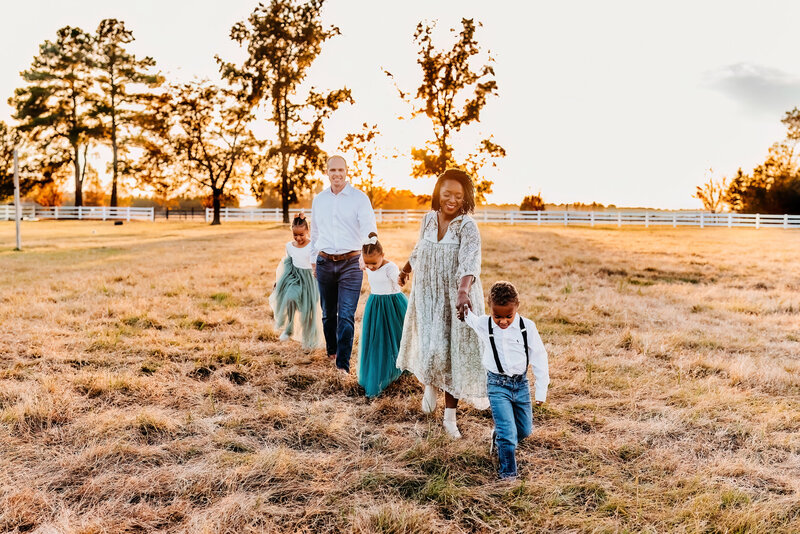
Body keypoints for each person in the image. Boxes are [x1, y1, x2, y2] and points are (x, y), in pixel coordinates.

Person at [396, 168, 486, 439]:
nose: (452, 200)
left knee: (452, 356)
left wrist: (462, 292)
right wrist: (405, 268)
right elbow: (420, 248)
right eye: (447, 194)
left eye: (458, 195)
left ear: (465, 197)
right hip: (428, 293)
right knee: (430, 346)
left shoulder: (467, 225)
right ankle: (430, 385)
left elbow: (470, 261)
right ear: (438, 193)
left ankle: (450, 419)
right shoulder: (428, 219)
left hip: (455, 296)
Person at [464, 281, 550, 480]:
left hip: (520, 385)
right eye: (497, 316)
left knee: (525, 430)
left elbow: (539, 356)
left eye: (508, 316)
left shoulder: (527, 327)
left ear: (517, 307)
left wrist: (541, 390)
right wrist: (463, 303)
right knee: (508, 434)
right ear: (490, 309)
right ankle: (508, 474)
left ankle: (499, 436)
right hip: (497, 385)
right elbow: (469, 317)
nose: (502, 321)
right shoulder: (485, 324)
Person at [310, 155, 378, 374]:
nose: (337, 174)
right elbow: (315, 233)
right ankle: (332, 349)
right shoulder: (319, 199)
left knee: (346, 315)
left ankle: (342, 365)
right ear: (327, 172)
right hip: (324, 262)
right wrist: (313, 260)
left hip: (352, 263)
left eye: (340, 170)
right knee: (328, 313)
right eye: (332, 170)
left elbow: (370, 229)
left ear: (347, 171)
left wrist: (365, 255)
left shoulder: (359, 198)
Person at [358, 235, 407, 397]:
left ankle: (401, 366)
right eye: (367, 263)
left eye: (374, 263)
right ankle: (380, 373)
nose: (370, 267)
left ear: (382, 256)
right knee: (377, 339)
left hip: (392, 305)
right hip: (376, 304)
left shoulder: (390, 267)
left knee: (397, 336)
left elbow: (396, 278)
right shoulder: (365, 263)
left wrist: (400, 279)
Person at [268, 211, 321, 349]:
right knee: (290, 298)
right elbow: (287, 264)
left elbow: (320, 262)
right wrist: (279, 281)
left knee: (308, 311)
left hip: (311, 280)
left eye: (301, 235)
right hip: (295, 278)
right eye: (295, 235)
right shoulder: (289, 246)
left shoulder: (313, 245)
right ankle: (289, 327)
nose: (298, 238)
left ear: (308, 231)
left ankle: (309, 339)